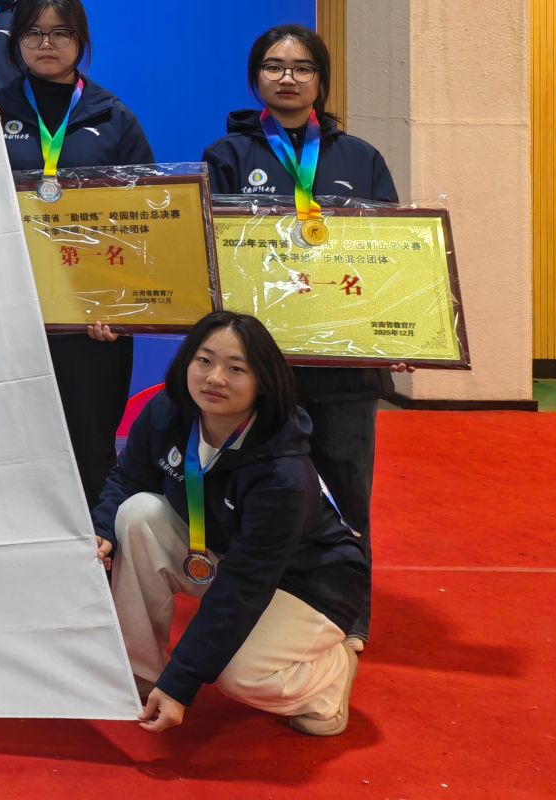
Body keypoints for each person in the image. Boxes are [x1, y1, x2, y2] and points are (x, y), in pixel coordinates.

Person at [204, 23, 395, 639]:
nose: (287, 77)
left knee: (346, 491)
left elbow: (393, 257)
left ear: (321, 80)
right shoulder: (226, 157)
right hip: (258, 366)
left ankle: (349, 617)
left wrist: (403, 336)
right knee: (258, 490)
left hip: (343, 367)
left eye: (302, 67)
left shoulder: (361, 159)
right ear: (255, 77)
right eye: (274, 66)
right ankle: (256, 611)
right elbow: (211, 259)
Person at [94, 311, 368, 738]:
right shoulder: (168, 411)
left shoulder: (281, 474)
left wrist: (182, 684)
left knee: (239, 674)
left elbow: (245, 583)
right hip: (222, 549)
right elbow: (130, 477)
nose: (215, 378)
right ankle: (141, 674)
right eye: (204, 361)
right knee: (136, 514)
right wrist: (102, 530)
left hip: (308, 581)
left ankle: (330, 676)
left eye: (236, 369)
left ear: (263, 382)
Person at [0, 0, 154, 504]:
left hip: (92, 318)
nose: (46, 44)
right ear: (16, 41)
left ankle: (93, 544)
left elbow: (147, 221)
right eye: (34, 33)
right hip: (13, 309)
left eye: (60, 33)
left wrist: (121, 307)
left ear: (81, 40)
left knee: (90, 444)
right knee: (11, 444)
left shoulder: (113, 117)